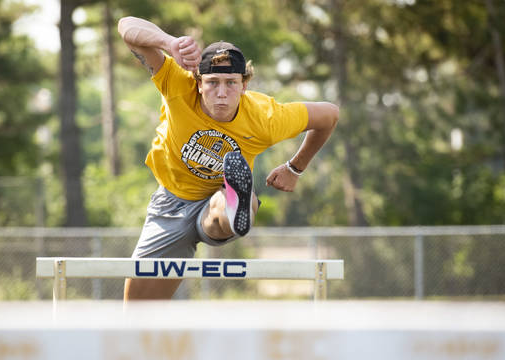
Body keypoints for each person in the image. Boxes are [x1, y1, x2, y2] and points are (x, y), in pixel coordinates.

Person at [117, 16, 339, 300]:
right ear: (197, 83)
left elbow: (329, 115)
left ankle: (237, 204)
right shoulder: (177, 84)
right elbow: (126, 27)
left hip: (217, 199)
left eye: (231, 83)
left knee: (218, 212)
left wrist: (295, 168)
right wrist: (170, 43)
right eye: (212, 83)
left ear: (245, 85)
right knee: (137, 309)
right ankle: (236, 204)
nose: (222, 94)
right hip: (171, 202)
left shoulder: (265, 117)